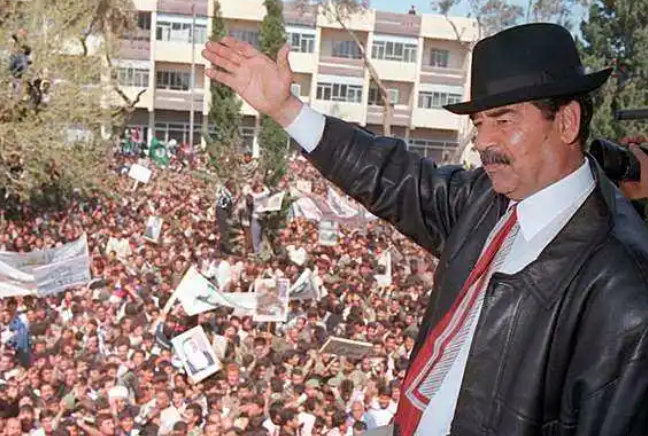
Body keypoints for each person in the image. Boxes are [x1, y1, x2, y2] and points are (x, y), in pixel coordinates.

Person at [202, 22, 648, 436]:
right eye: (479, 123)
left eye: (504, 120)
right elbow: (394, 177)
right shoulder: (485, 199)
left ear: (567, 121)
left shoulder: (623, 291)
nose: (483, 141)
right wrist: (287, 110)